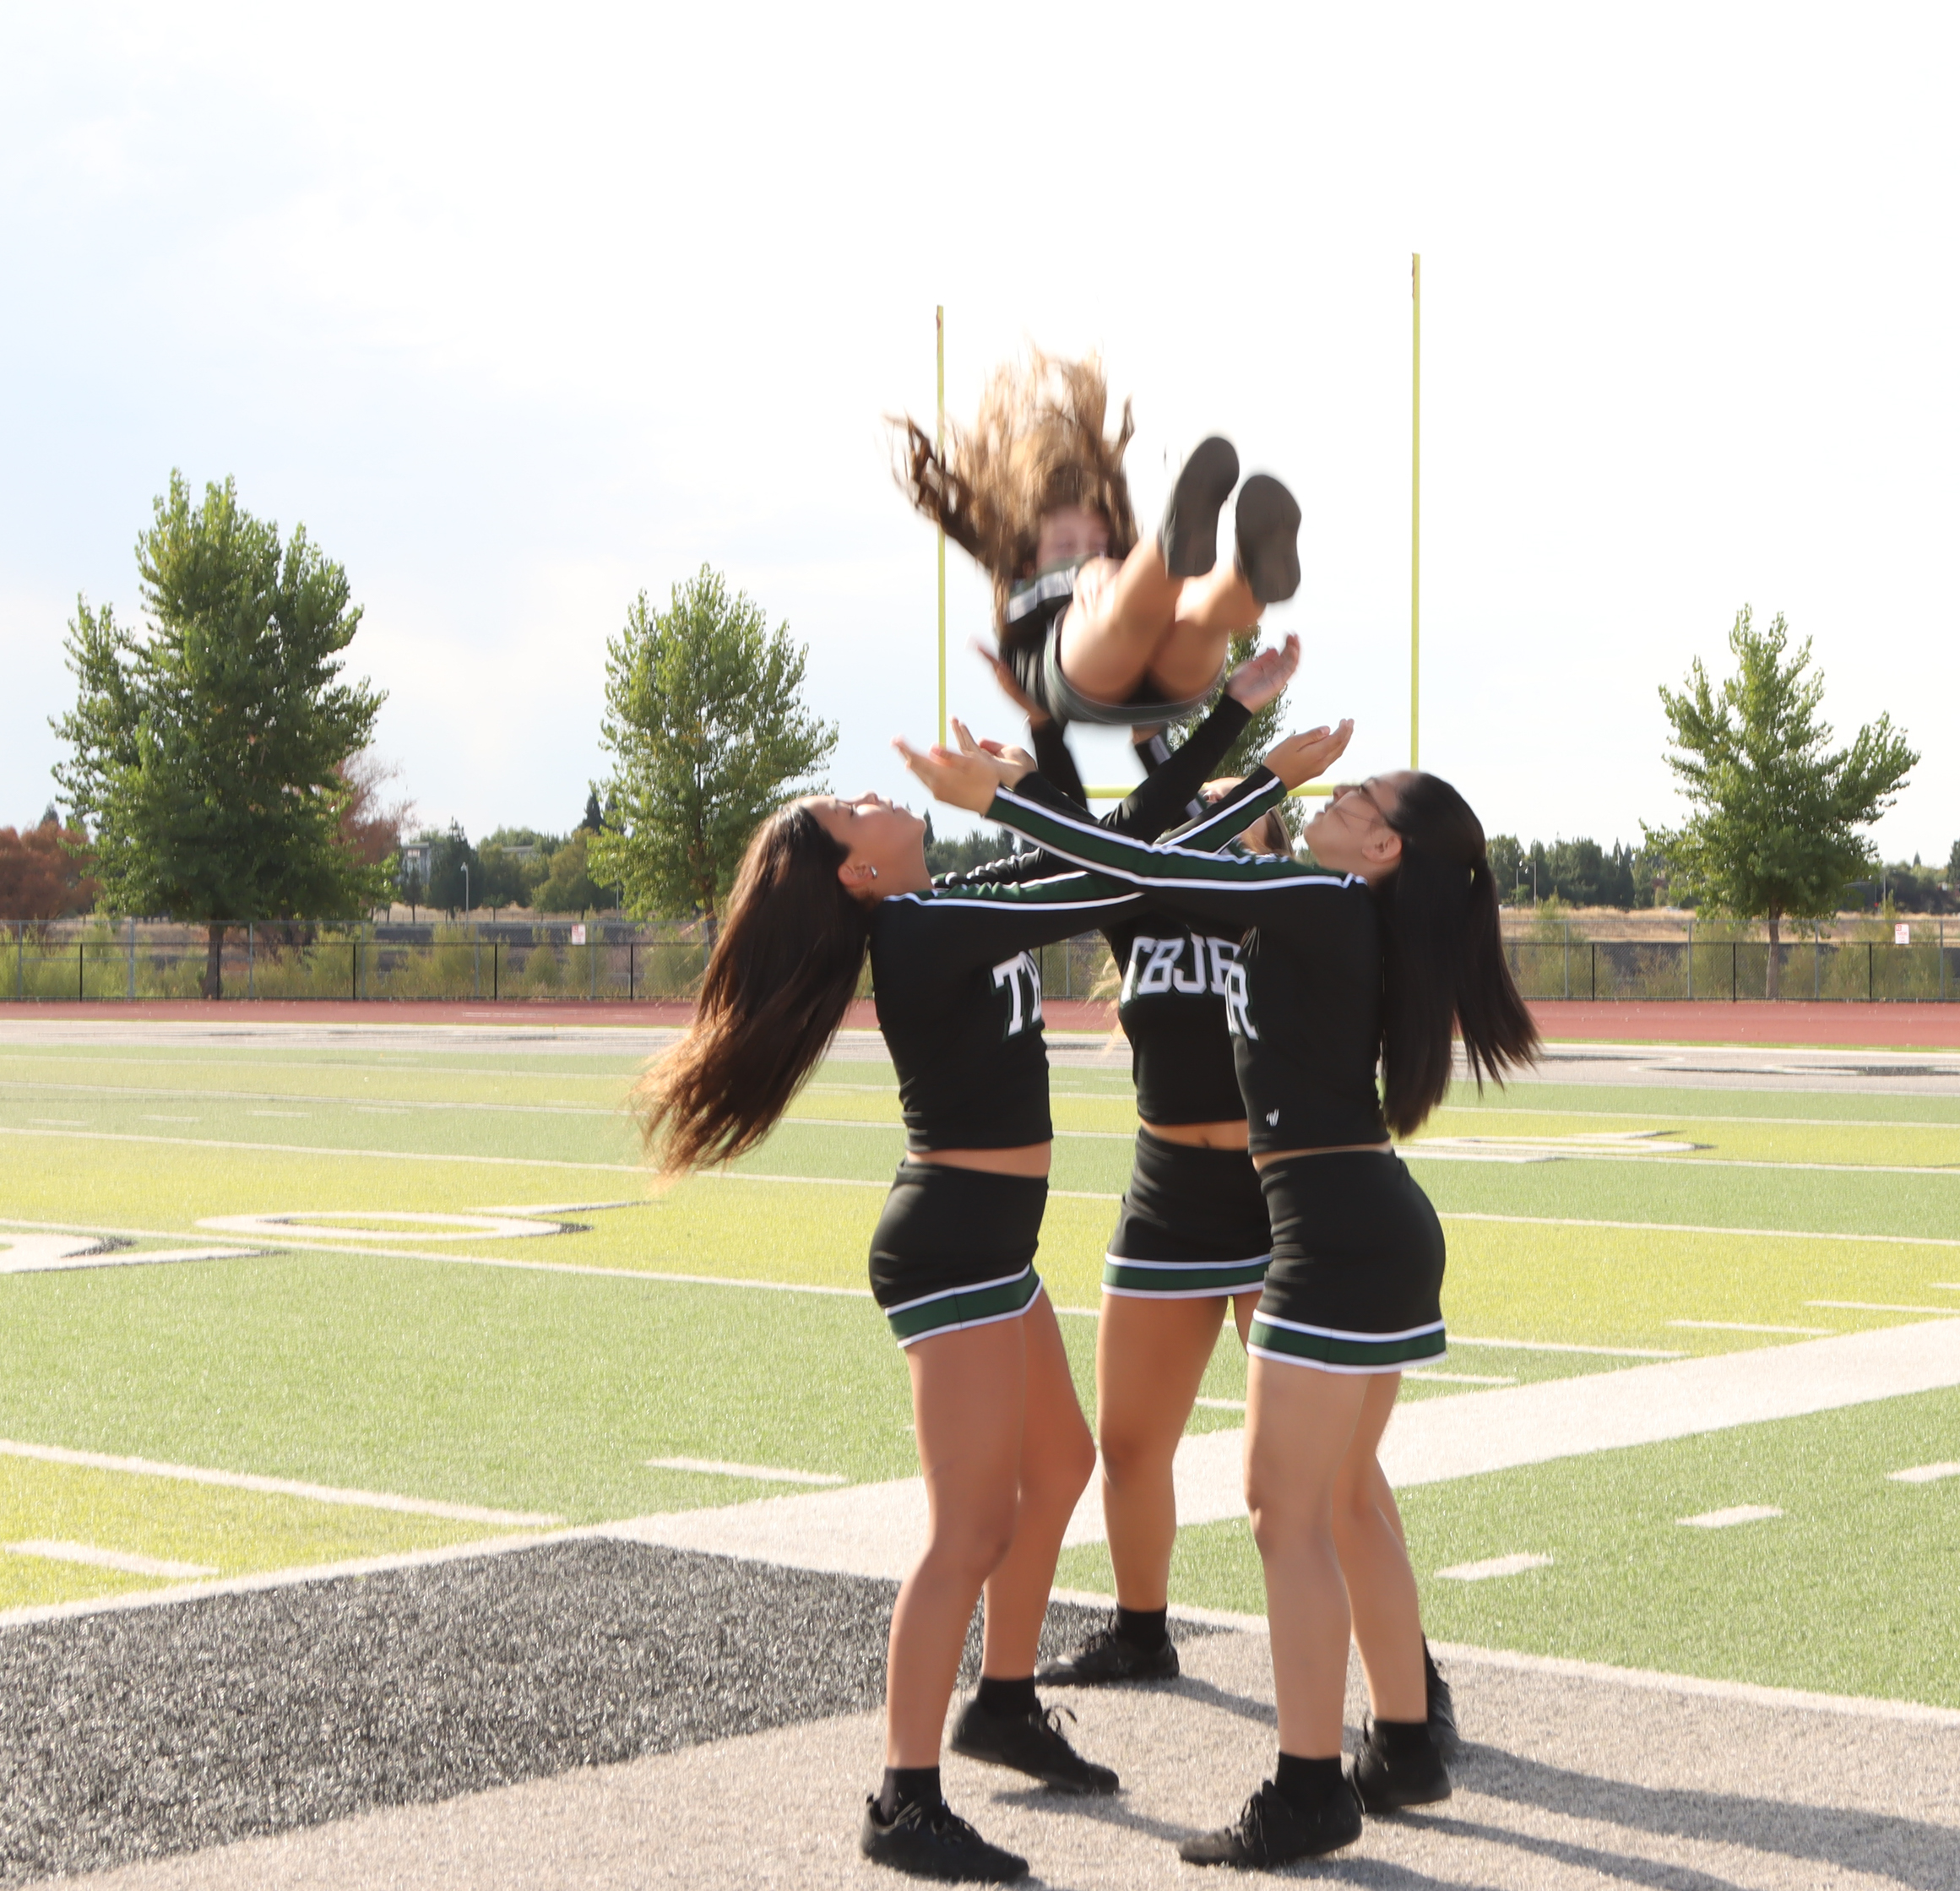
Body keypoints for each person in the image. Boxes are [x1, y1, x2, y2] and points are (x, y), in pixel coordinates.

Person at [635, 727, 1345, 1883]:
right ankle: (902, 1800)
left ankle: (1003, 1702)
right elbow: (1126, 878)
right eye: (850, 809)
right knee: (964, 1529)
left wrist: (1222, 730)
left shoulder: (944, 902)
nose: (874, 794)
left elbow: (1117, 846)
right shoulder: (918, 929)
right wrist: (1263, 781)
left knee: (1059, 1462)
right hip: (952, 1249)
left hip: (993, 1250)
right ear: (858, 872)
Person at [899, 741, 1539, 1871]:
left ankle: (1308, 1791)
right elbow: (1154, 865)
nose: (1333, 798)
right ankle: (1402, 1744)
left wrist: (1002, 797)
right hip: (1367, 1223)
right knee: (1343, 1496)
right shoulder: (1345, 905)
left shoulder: (1323, 897)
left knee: (1286, 1515)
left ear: (1383, 844)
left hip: (1330, 1236)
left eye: (1356, 796)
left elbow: (1138, 862)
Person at [897, 350, 1300, 732]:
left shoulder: (1121, 574)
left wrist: (1114, 568)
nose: (1086, 555)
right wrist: (1090, 570)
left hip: (1177, 681)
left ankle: (1247, 574)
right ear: (1028, 564)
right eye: (1065, 547)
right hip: (1087, 681)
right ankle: (1171, 538)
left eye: (1099, 545)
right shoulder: (1020, 597)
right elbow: (1067, 591)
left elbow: (1142, 582)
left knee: (1197, 611)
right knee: (1117, 610)